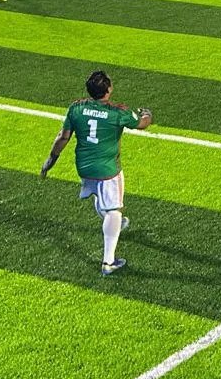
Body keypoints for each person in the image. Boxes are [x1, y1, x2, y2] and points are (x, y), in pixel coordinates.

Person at [40, 70, 154, 277]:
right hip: (107, 170)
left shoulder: (76, 108)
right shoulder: (118, 112)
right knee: (114, 210)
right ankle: (109, 262)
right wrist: (148, 115)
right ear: (108, 89)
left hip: (84, 166)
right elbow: (142, 124)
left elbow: (63, 138)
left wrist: (51, 160)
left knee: (101, 198)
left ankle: (116, 224)